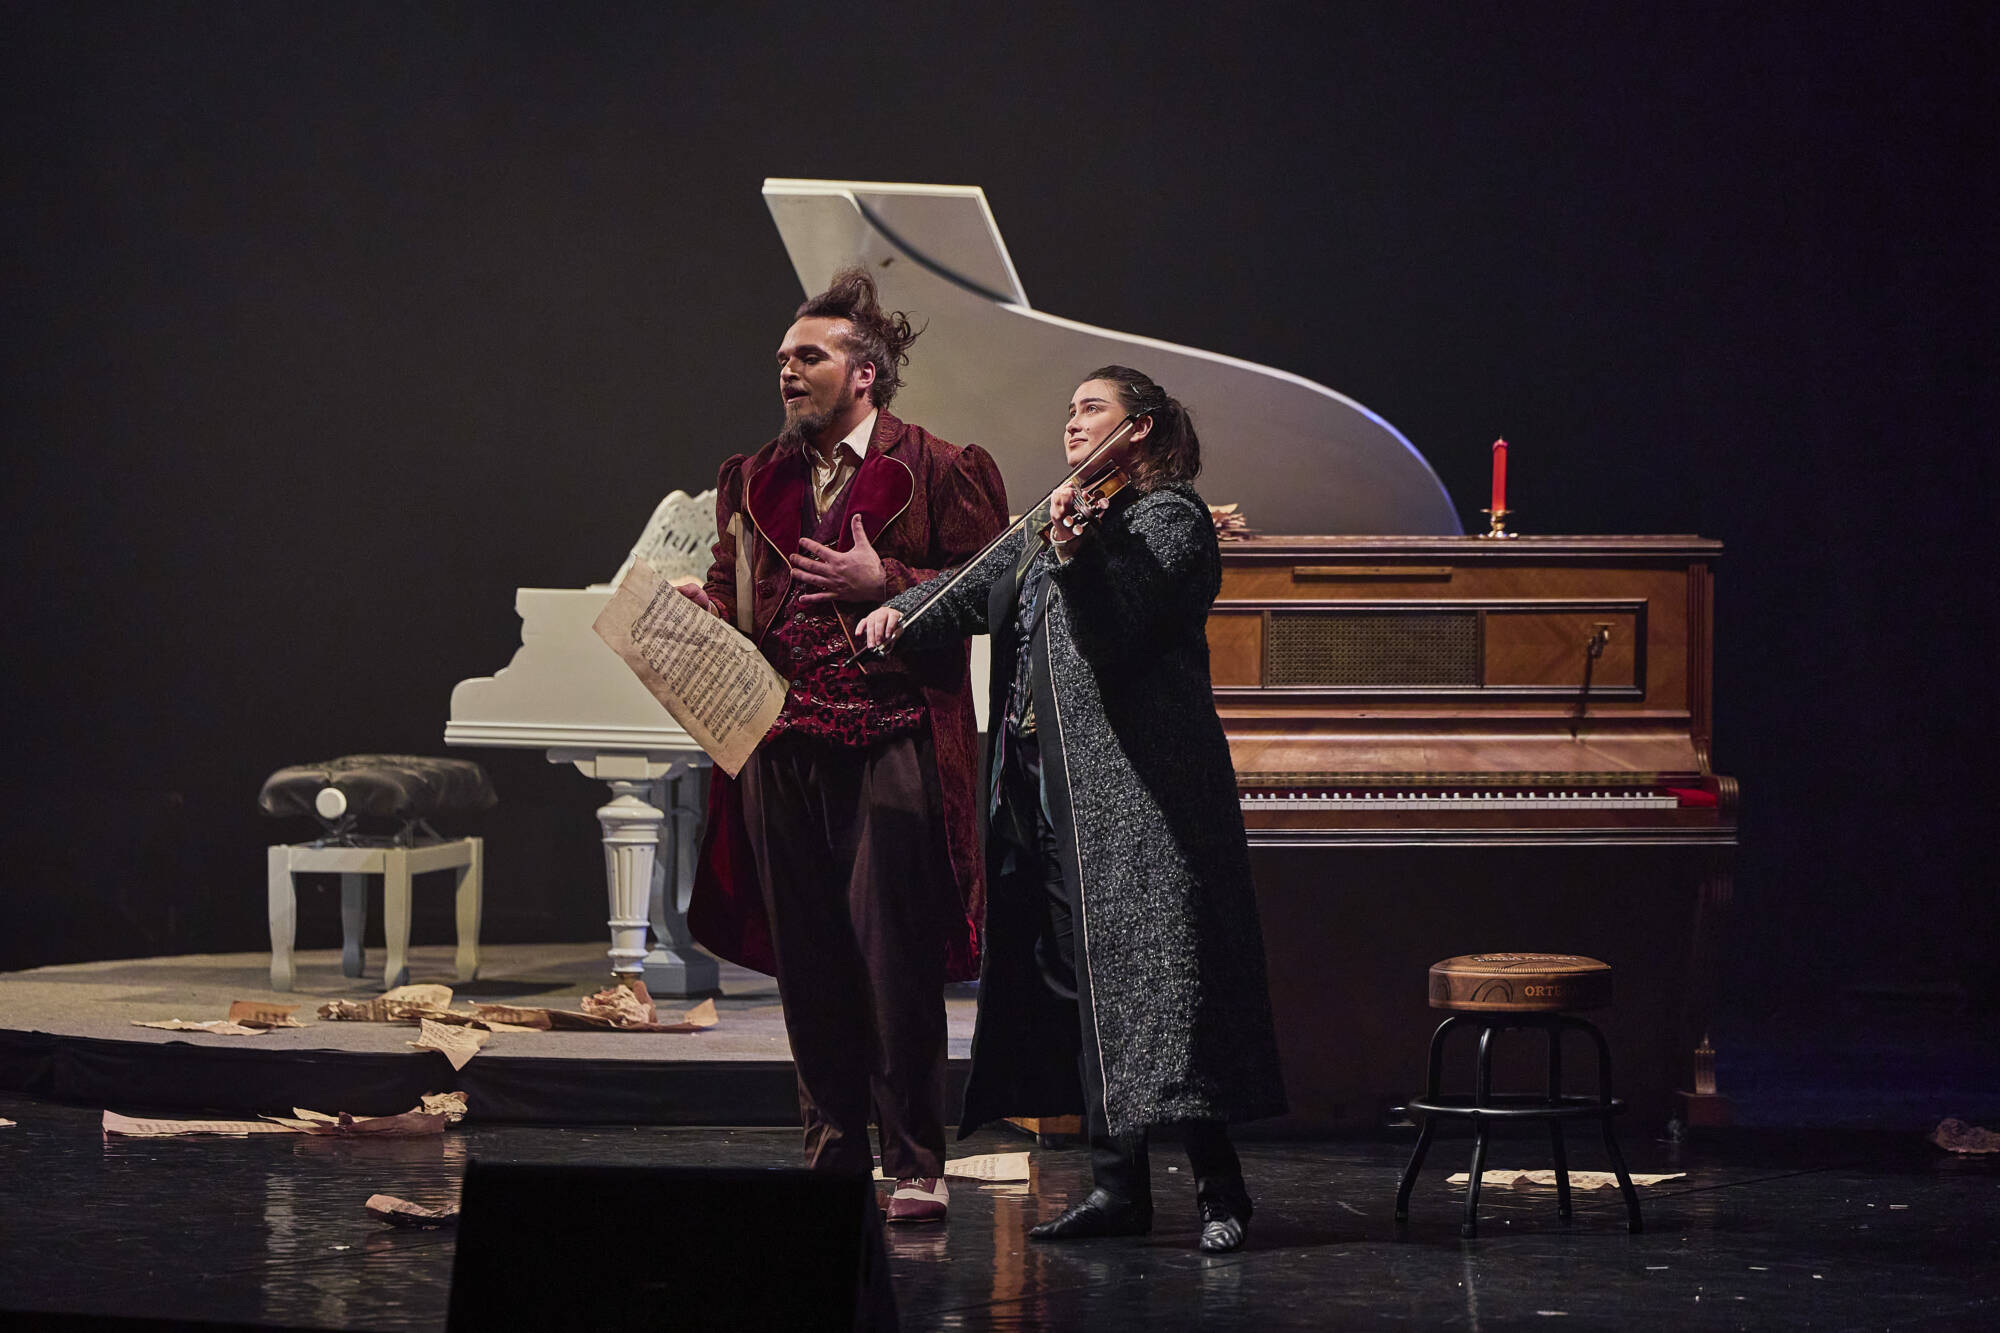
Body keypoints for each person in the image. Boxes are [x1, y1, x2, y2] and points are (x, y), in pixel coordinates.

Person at [857, 365, 1287, 1254]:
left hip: (1139, 801)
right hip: (1046, 799)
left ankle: (1221, 1191)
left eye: (1092, 408)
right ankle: (1118, 1188)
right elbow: (968, 589)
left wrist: (1076, 552)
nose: (1072, 422)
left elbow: (1121, 628)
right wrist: (898, 611)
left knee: (1171, 991)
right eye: (1069, 410)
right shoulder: (1053, 520)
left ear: (1142, 427)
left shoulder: (1167, 519)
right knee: (1090, 993)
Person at [681, 268, 1008, 1223]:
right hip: (779, 741)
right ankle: (831, 1153)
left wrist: (888, 582)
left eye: (809, 357)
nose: (786, 371)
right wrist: (708, 609)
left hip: (888, 735)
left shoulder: (941, 467)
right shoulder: (755, 477)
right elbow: (736, 586)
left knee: (892, 957)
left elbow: (997, 588)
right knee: (809, 955)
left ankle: (915, 1161)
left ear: (865, 374)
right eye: (783, 358)